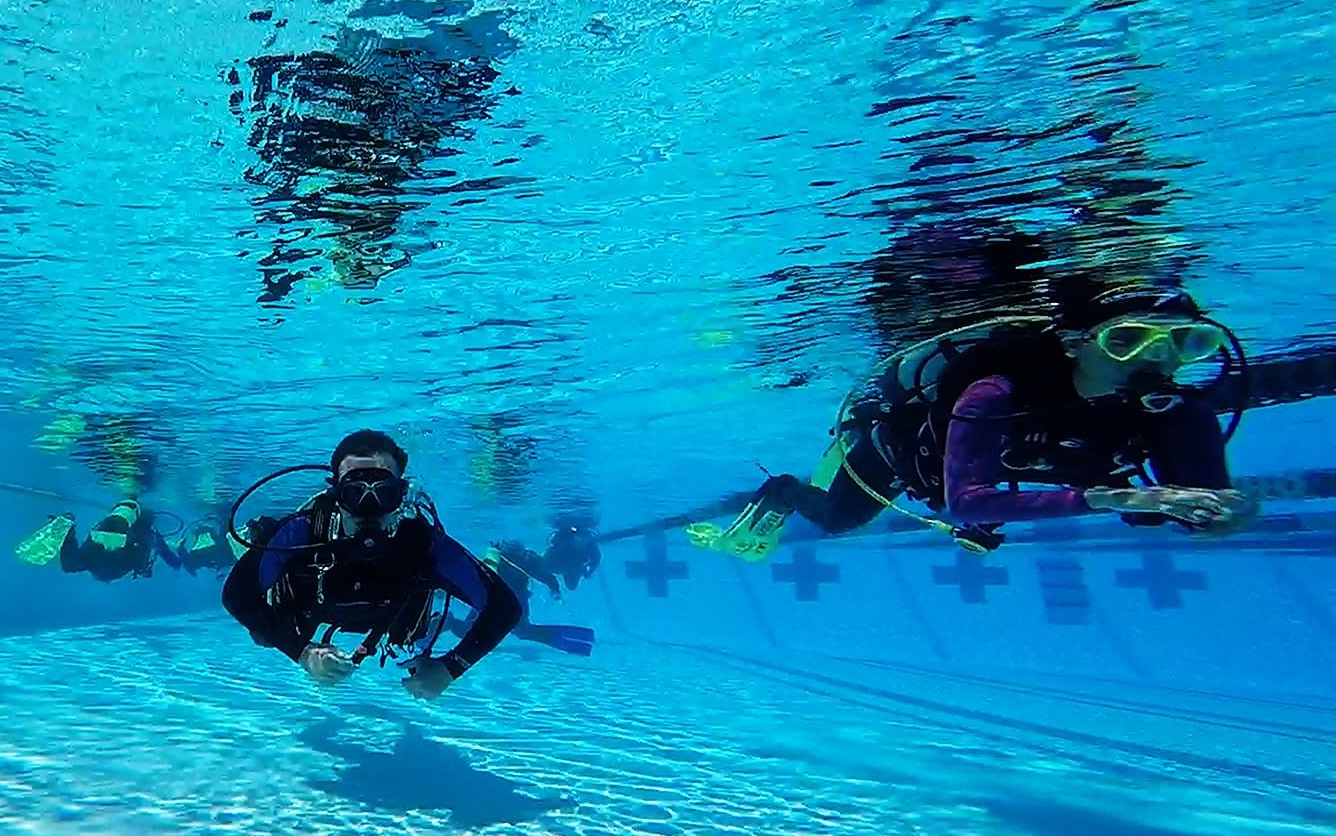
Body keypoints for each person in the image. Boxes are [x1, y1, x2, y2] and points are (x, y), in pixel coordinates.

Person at [690, 286, 1259, 561]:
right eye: (1128, 340)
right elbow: (967, 502)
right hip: (901, 456)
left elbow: (1205, 511)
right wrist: (1121, 502)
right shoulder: (996, 393)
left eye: (1187, 343)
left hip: (997, 475)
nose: (1155, 361)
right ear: (1073, 343)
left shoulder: (1177, 412)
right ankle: (783, 490)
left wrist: (1219, 513)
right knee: (839, 521)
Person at [222, 430, 523, 699]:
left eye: (384, 493)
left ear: (401, 495)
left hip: (392, 620)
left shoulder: (421, 542)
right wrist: (302, 652)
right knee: (262, 634)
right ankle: (254, 536)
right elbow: (236, 595)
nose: (369, 509)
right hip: (310, 611)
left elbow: (505, 607)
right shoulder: (304, 531)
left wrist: (450, 668)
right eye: (354, 492)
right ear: (336, 495)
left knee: (418, 630)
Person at [471, 543, 595, 657]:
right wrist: (554, 590)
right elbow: (548, 578)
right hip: (508, 601)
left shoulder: (516, 561)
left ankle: (581, 643)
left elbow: (546, 577)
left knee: (522, 631)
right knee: (522, 631)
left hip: (507, 602)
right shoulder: (524, 560)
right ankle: (582, 641)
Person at [16, 500, 183, 582]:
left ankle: (69, 527)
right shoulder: (87, 563)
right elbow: (155, 554)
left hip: (119, 545)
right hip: (110, 546)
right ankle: (69, 527)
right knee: (70, 566)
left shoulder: (95, 562)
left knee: (140, 538)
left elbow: (145, 559)